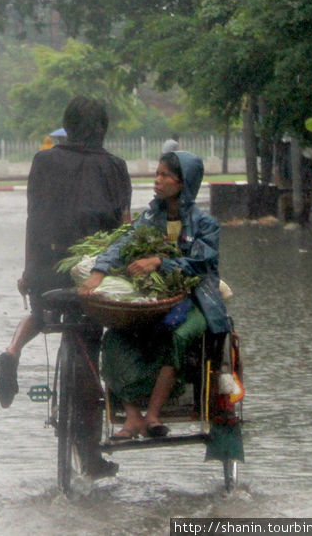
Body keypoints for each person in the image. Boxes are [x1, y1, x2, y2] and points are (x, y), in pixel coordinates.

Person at [0, 96, 132, 477]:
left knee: (42, 312)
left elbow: (33, 218)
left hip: (46, 271)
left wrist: (29, 271)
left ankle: (13, 349)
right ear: (102, 129)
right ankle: (89, 457)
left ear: (67, 127)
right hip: (92, 278)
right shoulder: (115, 167)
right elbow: (123, 228)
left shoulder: (44, 161)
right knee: (89, 347)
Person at [79, 150, 229, 439]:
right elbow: (124, 243)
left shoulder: (206, 225)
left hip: (196, 299)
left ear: (183, 183)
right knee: (115, 337)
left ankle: (154, 415)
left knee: (178, 335)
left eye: (164, 175)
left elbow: (202, 263)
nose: (157, 180)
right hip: (153, 299)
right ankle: (133, 416)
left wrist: (160, 262)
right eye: (157, 174)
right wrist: (99, 271)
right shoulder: (150, 218)